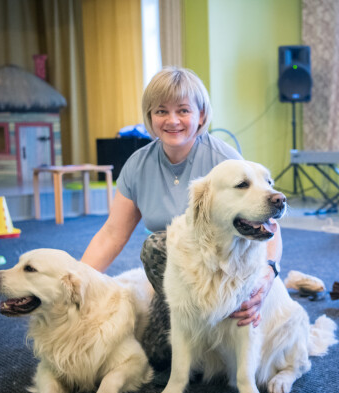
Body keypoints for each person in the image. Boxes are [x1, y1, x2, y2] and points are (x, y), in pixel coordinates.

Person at [80, 67, 282, 351]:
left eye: (183, 110)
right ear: (150, 116)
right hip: (173, 277)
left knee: (158, 245)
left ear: (201, 115)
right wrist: (76, 281)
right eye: (161, 111)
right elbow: (111, 235)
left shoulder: (225, 161)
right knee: (156, 354)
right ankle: (184, 332)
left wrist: (267, 276)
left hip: (218, 271)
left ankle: (208, 334)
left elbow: (267, 223)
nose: (172, 120)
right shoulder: (137, 165)